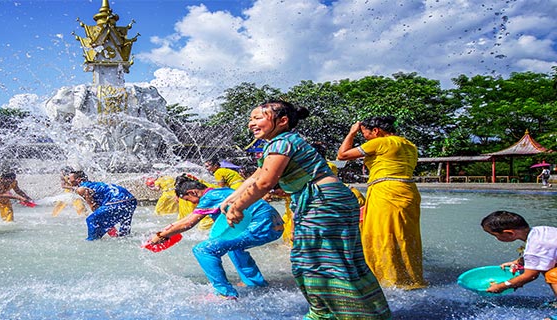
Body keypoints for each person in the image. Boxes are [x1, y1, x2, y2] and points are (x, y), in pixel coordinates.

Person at [224, 100, 391, 319]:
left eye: (257, 118)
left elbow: (265, 182)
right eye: (250, 119)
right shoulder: (279, 143)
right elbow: (257, 176)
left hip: (323, 202)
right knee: (330, 260)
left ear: (282, 121)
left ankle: (336, 314)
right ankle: (347, 312)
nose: (250, 124)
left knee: (317, 261)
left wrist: (238, 207)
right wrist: (230, 199)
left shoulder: (281, 142)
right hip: (327, 201)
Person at [147, 177, 283, 300]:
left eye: (188, 199)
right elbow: (186, 220)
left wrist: (161, 236)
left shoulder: (209, 198)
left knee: (203, 249)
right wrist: (164, 232)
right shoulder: (220, 192)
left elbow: (188, 223)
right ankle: (254, 283)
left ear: (193, 192)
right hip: (274, 226)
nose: (192, 203)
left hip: (260, 227)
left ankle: (225, 293)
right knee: (233, 246)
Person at [337, 115, 427, 289]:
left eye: (365, 134)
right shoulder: (410, 145)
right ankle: (412, 277)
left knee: (383, 234)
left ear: (376, 131)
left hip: (386, 191)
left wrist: (352, 133)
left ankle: (388, 279)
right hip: (408, 191)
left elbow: (342, 155)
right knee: (406, 235)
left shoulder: (380, 142)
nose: (365, 138)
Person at [482, 210, 557, 307]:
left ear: (509, 233)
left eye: (495, 235)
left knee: (552, 275)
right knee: (544, 265)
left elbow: (530, 276)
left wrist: (501, 286)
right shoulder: (540, 230)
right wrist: (518, 262)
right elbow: (544, 254)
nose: (496, 238)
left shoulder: (535, 246)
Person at [62, 170, 136, 241]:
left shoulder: (82, 189)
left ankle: (91, 243)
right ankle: (120, 237)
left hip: (118, 201)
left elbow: (94, 207)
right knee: (124, 234)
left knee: (91, 220)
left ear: (78, 180)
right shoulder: (93, 185)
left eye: (69, 179)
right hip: (130, 200)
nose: (68, 181)